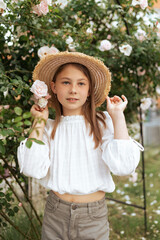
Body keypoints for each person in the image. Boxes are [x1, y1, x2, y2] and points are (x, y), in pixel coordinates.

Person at [17, 52, 144, 240]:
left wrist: (117, 116)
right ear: (53, 87)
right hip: (55, 215)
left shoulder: (103, 122)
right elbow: (31, 168)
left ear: (90, 89)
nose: (73, 90)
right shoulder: (48, 126)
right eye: (66, 82)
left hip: (93, 218)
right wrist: (39, 122)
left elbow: (123, 167)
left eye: (81, 83)